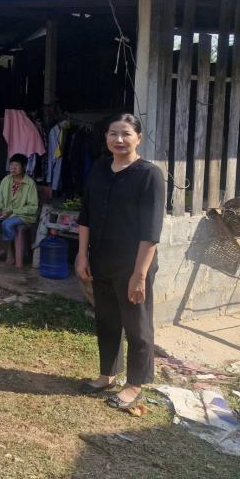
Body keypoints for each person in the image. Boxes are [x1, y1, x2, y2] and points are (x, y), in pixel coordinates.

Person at [75, 113, 165, 409]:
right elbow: (86, 215)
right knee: (107, 320)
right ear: (106, 138)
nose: (119, 139)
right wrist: (82, 254)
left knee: (137, 325)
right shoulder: (99, 169)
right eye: (113, 133)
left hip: (133, 263)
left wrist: (140, 275)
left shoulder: (149, 175)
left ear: (138, 137)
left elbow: (151, 230)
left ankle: (135, 384)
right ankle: (107, 375)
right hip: (101, 259)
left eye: (126, 134)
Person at [0, 153, 39, 263]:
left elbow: (33, 208)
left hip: (23, 216)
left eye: (17, 165)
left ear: (24, 167)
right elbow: (0, 198)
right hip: (5, 213)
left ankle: (10, 249)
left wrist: (12, 211)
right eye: (11, 165)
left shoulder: (30, 184)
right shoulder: (6, 180)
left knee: (7, 224)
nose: (13, 168)